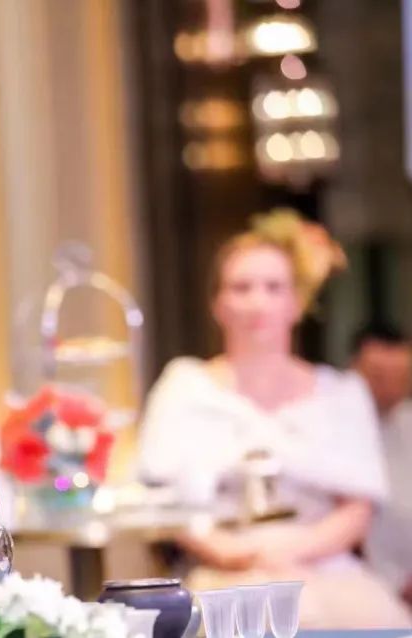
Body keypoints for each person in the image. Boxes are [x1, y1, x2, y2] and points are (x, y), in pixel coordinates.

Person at [137, 211, 411, 628]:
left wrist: (294, 552)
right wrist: (235, 553)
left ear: (296, 303)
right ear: (218, 304)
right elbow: (163, 501)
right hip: (224, 569)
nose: (257, 302)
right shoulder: (186, 387)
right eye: (241, 287)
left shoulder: (340, 393)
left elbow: (357, 510)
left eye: (273, 287)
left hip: (324, 568)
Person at [353, 322, 412, 611]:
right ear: (355, 371)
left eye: (400, 375)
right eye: (379, 376)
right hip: (368, 583)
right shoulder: (335, 432)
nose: (390, 386)